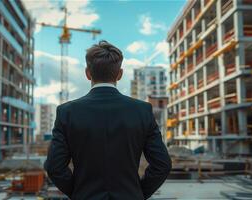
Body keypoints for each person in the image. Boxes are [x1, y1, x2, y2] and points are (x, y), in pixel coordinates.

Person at [45, 40, 172, 200]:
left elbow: (54, 167)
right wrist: (137, 193)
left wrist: (79, 193)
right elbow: (163, 165)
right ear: (119, 74)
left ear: (87, 73)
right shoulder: (142, 110)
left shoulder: (67, 112)